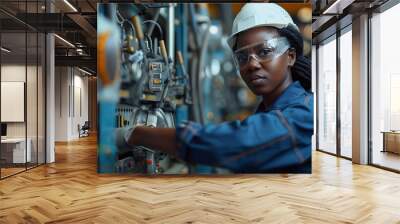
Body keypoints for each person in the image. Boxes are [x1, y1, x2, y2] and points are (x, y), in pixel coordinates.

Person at [116, 3, 313, 173]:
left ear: (291, 56)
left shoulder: (302, 113)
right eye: (242, 57)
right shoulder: (269, 109)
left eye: (264, 51)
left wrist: (135, 134)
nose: (252, 64)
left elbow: (235, 143)